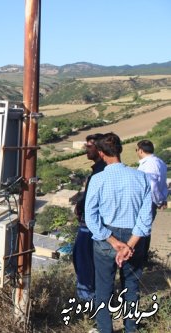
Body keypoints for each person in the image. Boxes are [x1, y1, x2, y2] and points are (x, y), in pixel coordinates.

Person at [85, 132, 153, 333]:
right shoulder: (141, 177)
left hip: (106, 238)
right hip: (135, 237)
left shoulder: (98, 180)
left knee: (103, 288)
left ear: (101, 153)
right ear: (120, 150)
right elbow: (145, 217)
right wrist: (130, 245)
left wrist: (114, 242)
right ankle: (130, 328)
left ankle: (105, 329)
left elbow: (91, 217)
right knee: (131, 286)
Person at [72, 133, 106, 301]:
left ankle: (89, 300)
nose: (86, 149)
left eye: (89, 146)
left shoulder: (101, 172)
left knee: (84, 260)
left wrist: (82, 206)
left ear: (100, 150)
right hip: (92, 223)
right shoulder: (98, 170)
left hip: (91, 225)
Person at [136, 140, 168, 263]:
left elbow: (153, 186)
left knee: (141, 231)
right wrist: (162, 199)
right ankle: (142, 259)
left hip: (147, 202)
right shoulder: (159, 162)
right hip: (150, 202)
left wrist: (159, 201)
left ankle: (140, 260)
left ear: (141, 150)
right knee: (144, 230)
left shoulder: (149, 164)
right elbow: (163, 185)